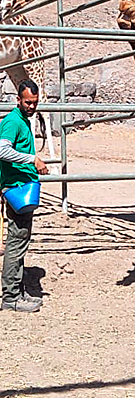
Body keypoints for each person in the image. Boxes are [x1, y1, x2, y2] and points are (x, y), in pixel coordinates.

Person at [0, 79, 49, 313]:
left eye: (35, 103)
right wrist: (32, 160)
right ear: (18, 99)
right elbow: (2, 150)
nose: (31, 106)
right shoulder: (13, 122)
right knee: (16, 242)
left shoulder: (22, 120)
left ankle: (17, 290)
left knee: (20, 240)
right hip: (17, 188)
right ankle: (10, 296)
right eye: (28, 102)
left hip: (22, 186)